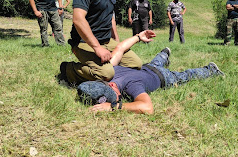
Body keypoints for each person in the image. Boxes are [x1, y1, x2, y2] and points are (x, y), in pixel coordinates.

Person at [76, 30, 224, 114]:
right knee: (157, 62)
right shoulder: (111, 71)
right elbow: (120, 48)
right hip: (148, 67)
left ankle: (210, 70)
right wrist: (138, 37)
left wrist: (114, 107)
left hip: (165, 78)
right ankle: (164, 54)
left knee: (185, 75)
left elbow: (147, 108)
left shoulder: (131, 86)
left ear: (115, 91)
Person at [63, 0, 142, 83]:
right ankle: (68, 69)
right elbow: (78, 20)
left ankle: (109, 73)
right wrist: (97, 48)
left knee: (135, 64)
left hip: (107, 41)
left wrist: (117, 41)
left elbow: (110, 16)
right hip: (84, 43)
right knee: (106, 73)